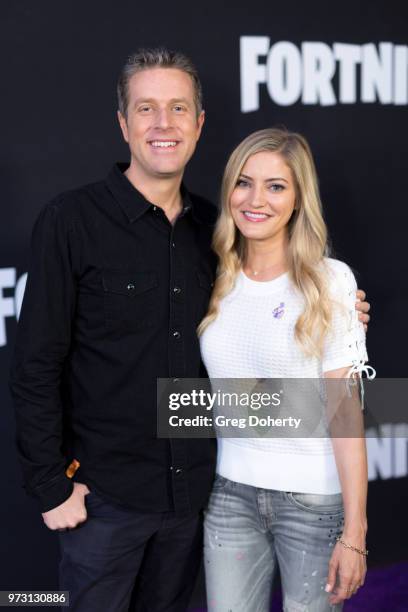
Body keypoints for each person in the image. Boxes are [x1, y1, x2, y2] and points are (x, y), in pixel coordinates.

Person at [9, 49, 370, 612]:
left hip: (196, 502)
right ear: (124, 124)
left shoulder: (216, 234)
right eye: (146, 109)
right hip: (104, 503)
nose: (163, 124)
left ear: (199, 125)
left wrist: (344, 312)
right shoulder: (70, 221)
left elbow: (288, 312)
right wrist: (50, 485)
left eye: (178, 108)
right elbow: (34, 365)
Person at [199, 128, 375, 611]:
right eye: (244, 182)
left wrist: (354, 531)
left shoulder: (330, 281)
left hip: (313, 505)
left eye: (276, 186)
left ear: (298, 199)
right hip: (228, 496)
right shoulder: (210, 275)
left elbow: (345, 412)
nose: (256, 200)